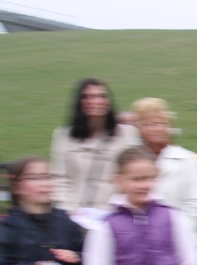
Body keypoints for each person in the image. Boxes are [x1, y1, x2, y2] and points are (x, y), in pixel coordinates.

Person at [50, 78, 140, 215]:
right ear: (79, 102)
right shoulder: (63, 136)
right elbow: (59, 178)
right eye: (88, 97)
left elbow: (137, 172)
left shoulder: (128, 133)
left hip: (114, 213)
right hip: (74, 213)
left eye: (102, 96)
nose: (97, 101)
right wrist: (68, 209)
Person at [133, 98, 197, 235]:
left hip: (177, 237)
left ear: (169, 127)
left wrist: (177, 232)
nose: (155, 129)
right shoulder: (132, 160)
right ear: (140, 129)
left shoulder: (187, 159)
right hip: (137, 237)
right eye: (148, 124)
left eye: (160, 123)